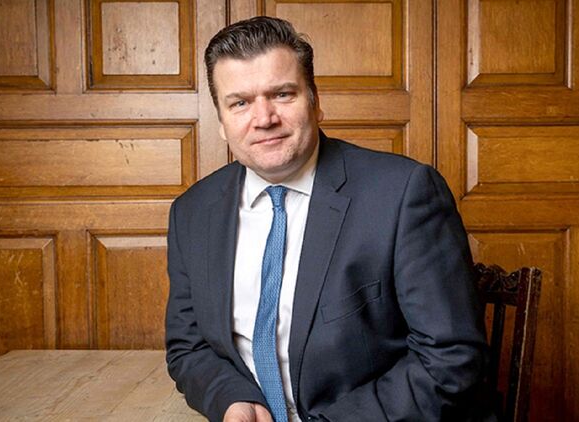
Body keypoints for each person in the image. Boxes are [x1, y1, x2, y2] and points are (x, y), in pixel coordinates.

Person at [165, 16, 493, 422]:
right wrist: (232, 401)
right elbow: (189, 346)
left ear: (316, 102)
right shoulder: (193, 212)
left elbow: (451, 358)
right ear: (221, 121)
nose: (264, 118)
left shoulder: (403, 194)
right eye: (240, 103)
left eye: (282, 94)